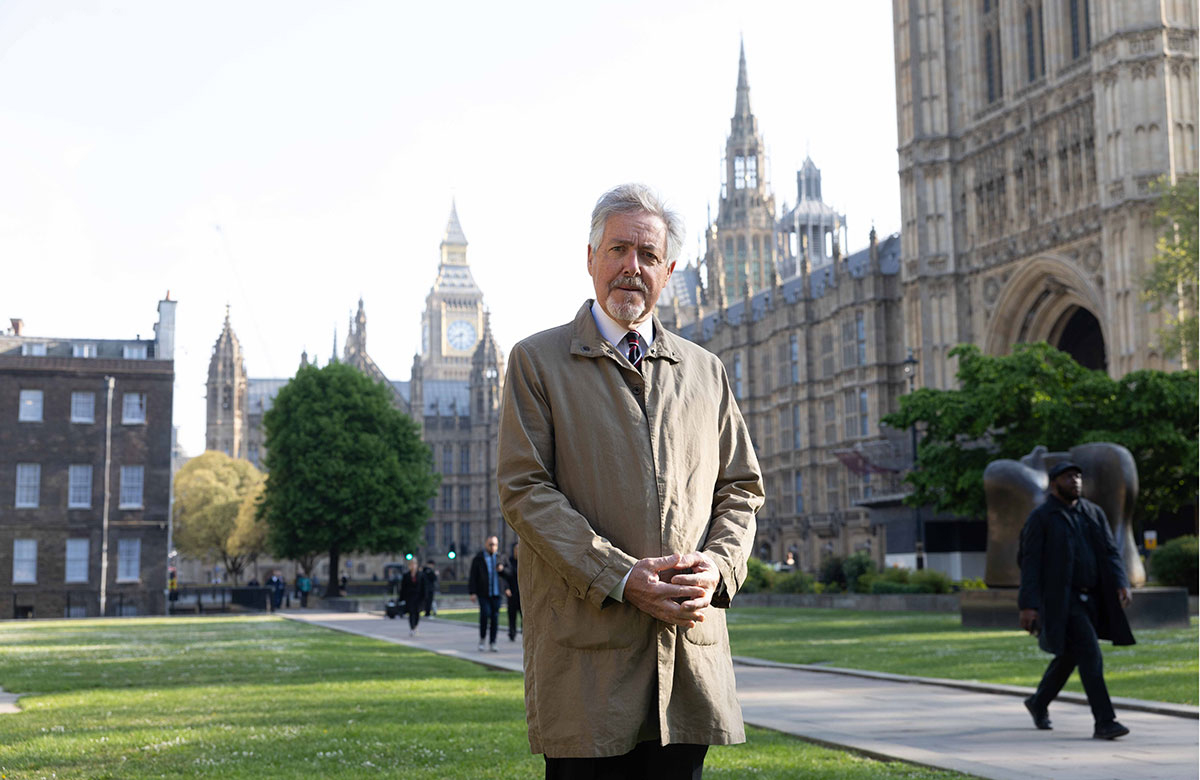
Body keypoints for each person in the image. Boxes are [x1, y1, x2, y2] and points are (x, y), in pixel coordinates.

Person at [497, 183, 763, 778]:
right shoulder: (537, 363)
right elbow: (525, 490)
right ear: (589, 258)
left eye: (647, 256)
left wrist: (718, 566)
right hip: (588, 665)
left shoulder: (704, 370)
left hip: (685, 664)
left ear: (668, 271)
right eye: (617, 250)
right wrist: (621, 577)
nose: (630, 268)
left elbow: (741, 488)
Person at [1019, 460, 1135, 740]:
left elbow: (1110, 551)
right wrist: (1028, 605)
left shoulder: (1092, 513)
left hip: (1093, 596)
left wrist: (1121, 582)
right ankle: (1105, 721)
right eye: (1069, 477)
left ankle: (1038, 702)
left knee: (1071, 654)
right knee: (1091, 654)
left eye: (1078, 476)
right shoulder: (1042, 517)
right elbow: (1029, 563)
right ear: (1054, 482)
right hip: (1062, 600)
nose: (1076, 481)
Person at [468, 535, 504, 652]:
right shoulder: (478, 559)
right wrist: (472, 592)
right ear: (486, 544)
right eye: (491, 544)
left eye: (495, 545)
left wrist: (502, 570)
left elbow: (509, 574)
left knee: (495, 618)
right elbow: (473, 577)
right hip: (483, 593)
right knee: (485, 614)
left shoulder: (500, 558)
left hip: (496, 593)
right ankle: (482, 639)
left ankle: (493, 642)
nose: (493, 547)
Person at [398, 559, 427, 637]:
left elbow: (424, 587)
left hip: (418, 597)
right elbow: (403, 587)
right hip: (409, 597)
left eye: (414, 564)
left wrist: (424, 597)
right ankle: (412, 628)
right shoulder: (406, 575)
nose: (413, 566)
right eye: (411, 564)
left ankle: (416, 626)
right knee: (411, 613)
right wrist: (401, 598)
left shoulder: (421, 575)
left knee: (417, 612)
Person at [502, 541, 522, 642]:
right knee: (512, 615)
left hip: (522, 594)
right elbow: (505, 577)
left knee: (524, 616)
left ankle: (524, 633)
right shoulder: (509, 562)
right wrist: (506, 588)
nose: (517, 551)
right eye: (516, 549)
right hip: (512, 593)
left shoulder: (524, 563)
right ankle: (512, 633)